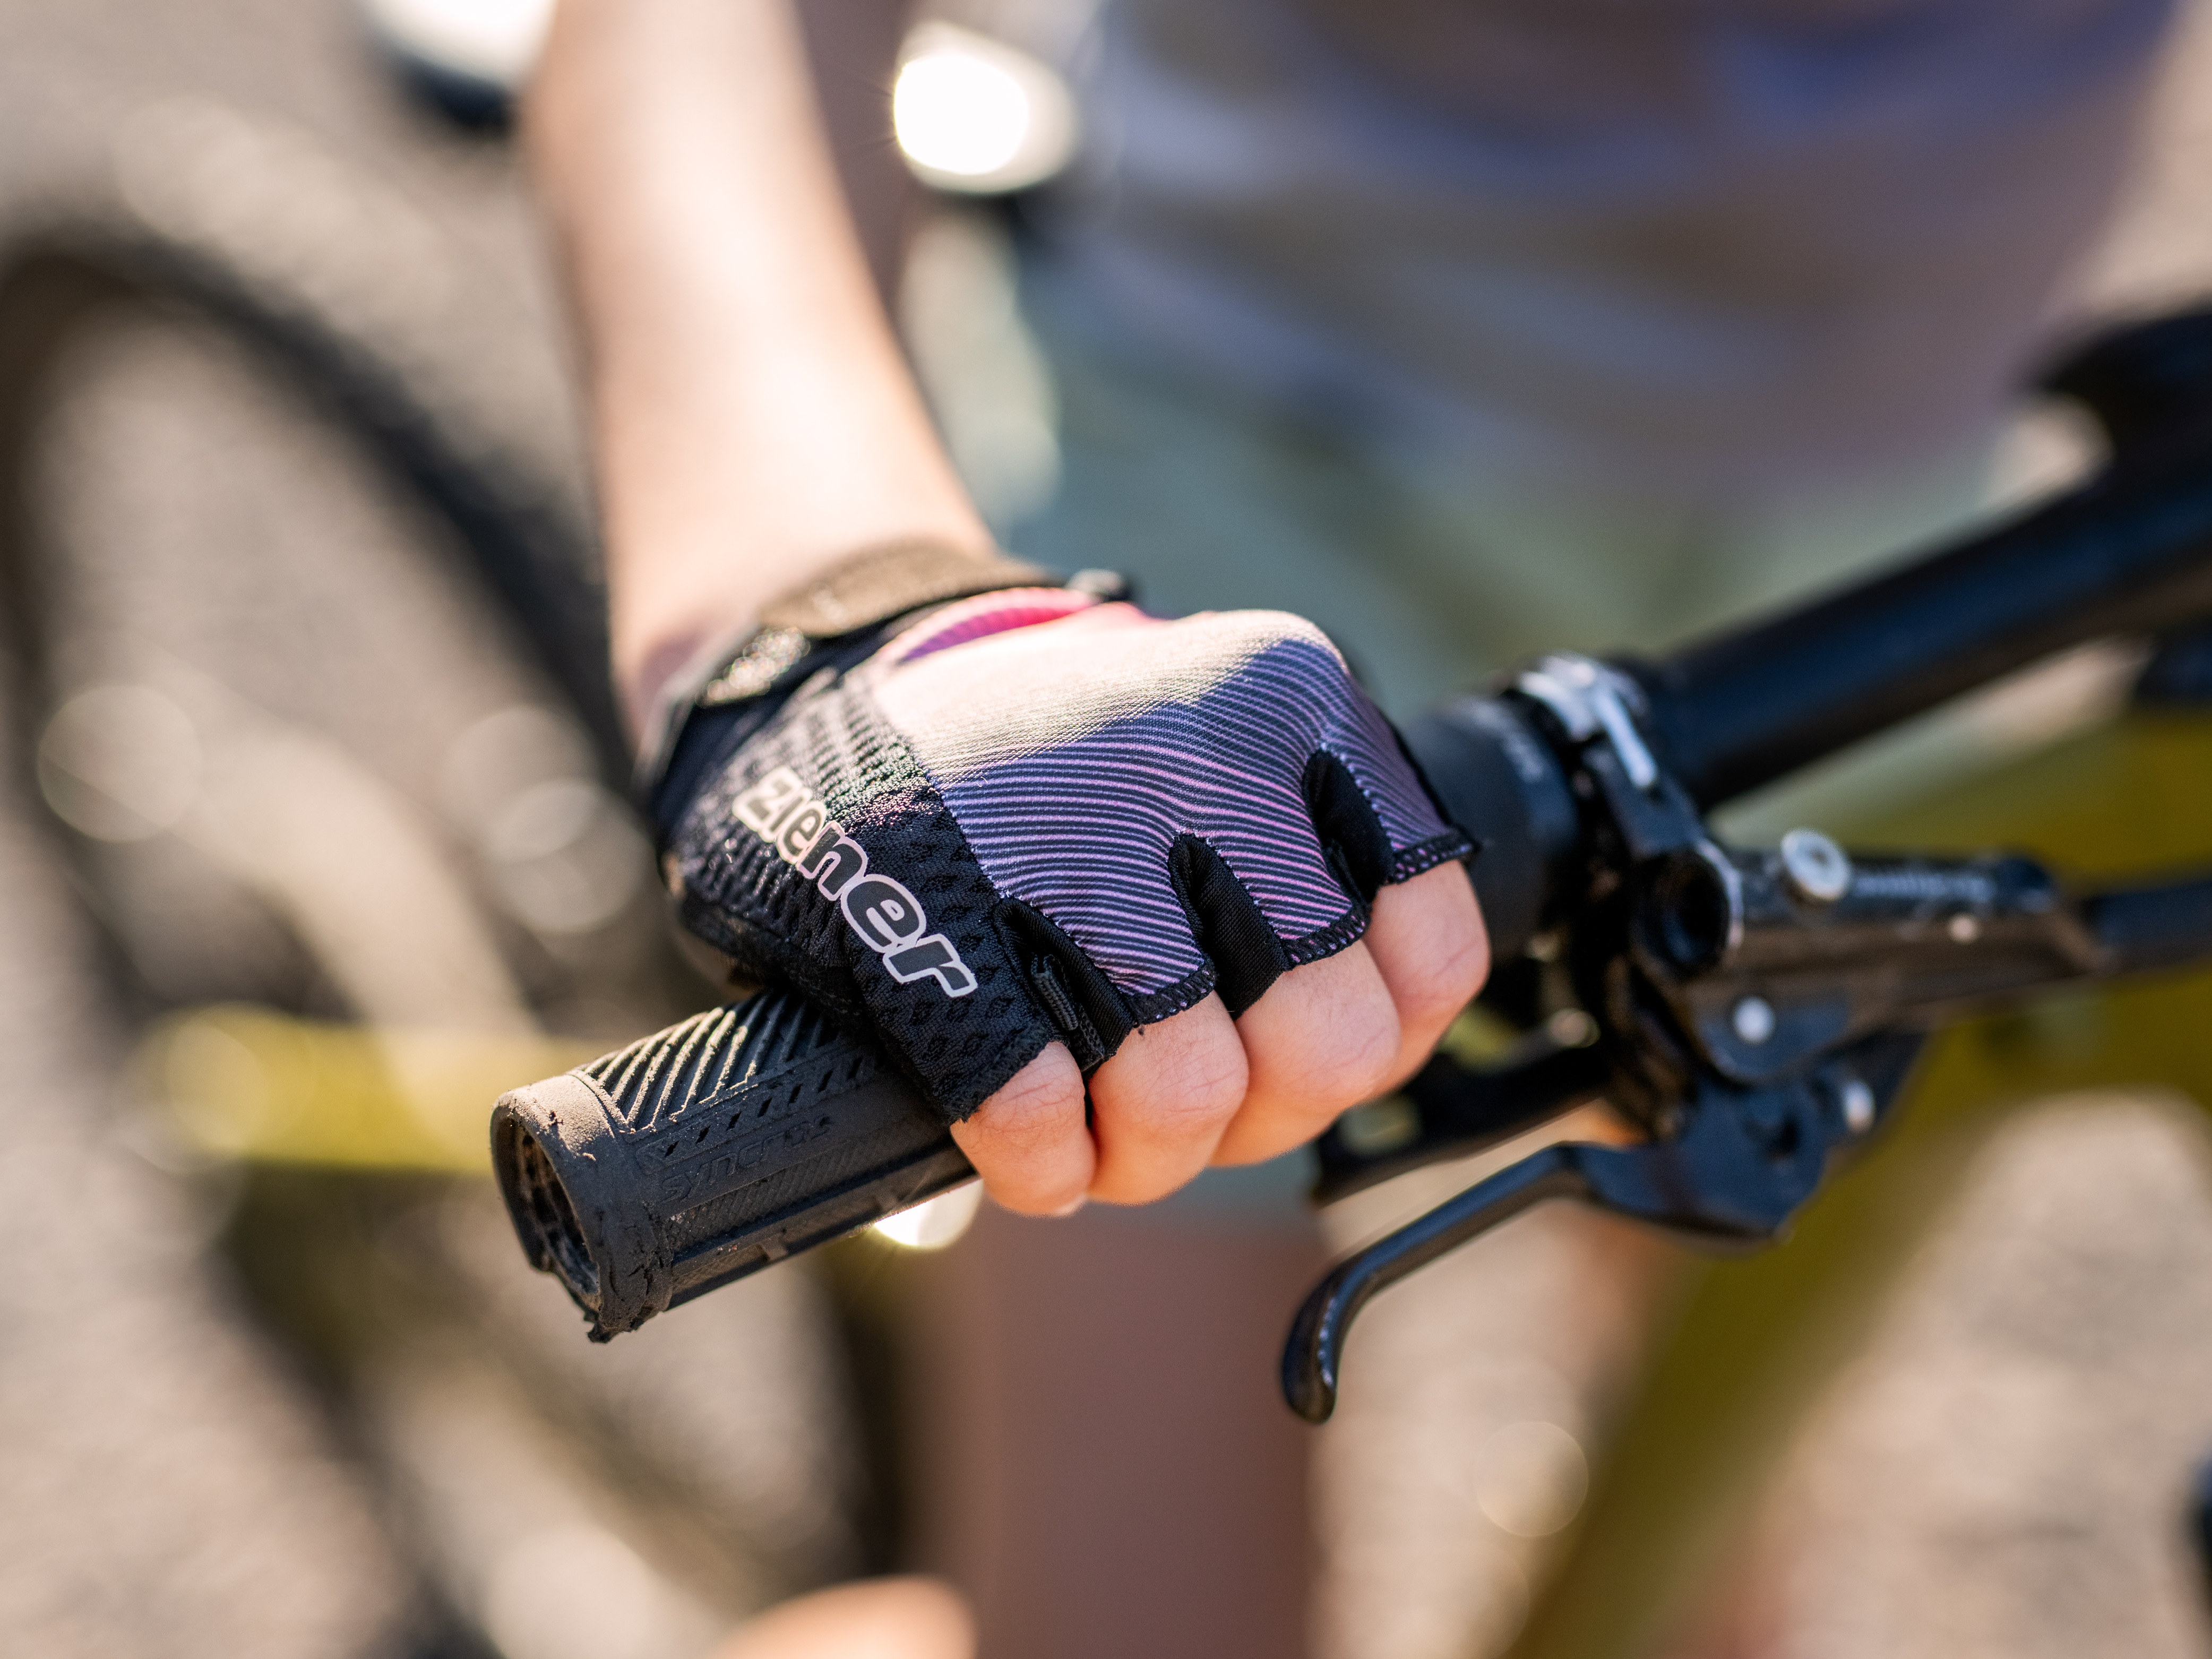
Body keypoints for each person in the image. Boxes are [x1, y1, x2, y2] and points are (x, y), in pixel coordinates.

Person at [522, 2, 2174, 1654]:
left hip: (1897, 540)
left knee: (1691, 1573)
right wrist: (830, 610)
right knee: (1140, 1626)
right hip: (1218, 520)